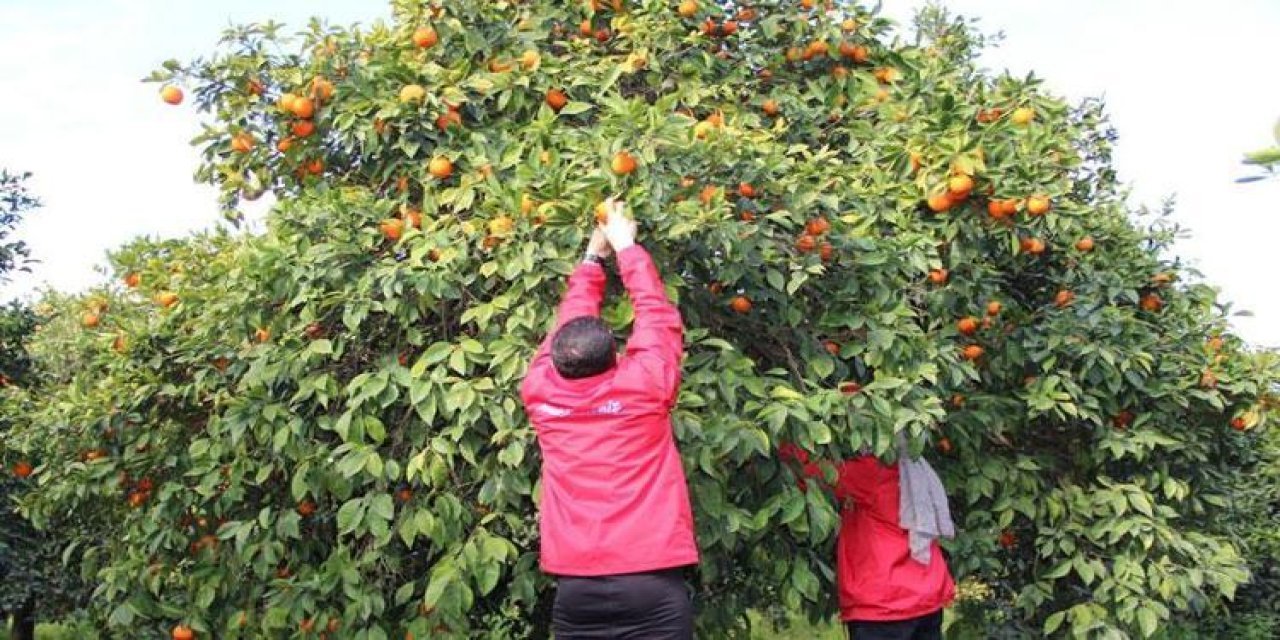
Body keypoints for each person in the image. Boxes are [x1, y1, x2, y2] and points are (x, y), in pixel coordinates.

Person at [520, 199, 698, 639]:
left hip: (577, 590)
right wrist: (626, 248)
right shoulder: (643, 387)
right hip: (652, 583)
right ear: (615, 360)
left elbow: (570, 326)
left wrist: (590, 257)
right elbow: (656, 316)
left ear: (557, 359)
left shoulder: (540, 392)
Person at [781, 435, 956, 640]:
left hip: (885, 604)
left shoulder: (870, 473)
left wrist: (787, 435)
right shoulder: (912, 468)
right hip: (925, 598)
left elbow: (807, 472)